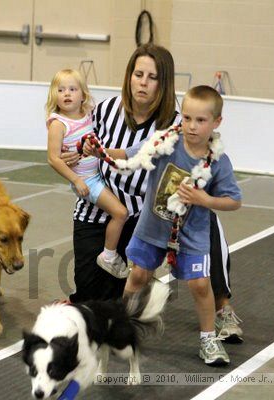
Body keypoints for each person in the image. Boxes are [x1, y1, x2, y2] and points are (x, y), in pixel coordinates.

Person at [121, 85, 242, 365]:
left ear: (216, 123)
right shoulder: (165, 142)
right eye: (186, 118)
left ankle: (208, 340)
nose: (192, 126)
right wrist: (98, 150)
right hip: (153, 227)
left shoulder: (219, 162)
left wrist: (204, 198)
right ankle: (120, 322)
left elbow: (234, 202)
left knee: (200, 285)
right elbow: (129, 154)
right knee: (138, 276)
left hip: (192, 234)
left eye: (201, 120)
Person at [61, 44, 177, 303]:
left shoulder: (174, 125)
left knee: (116, 303)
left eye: (152, 77)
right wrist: (72, 154)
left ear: (164, 83)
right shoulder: (105, 110)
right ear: (129, 76)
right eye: (138, 75)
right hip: (95, 211)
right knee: (89, 301)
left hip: (140, 221)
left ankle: (143, 276)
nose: (143, 83)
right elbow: (80, 147)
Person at [46, 69, 129, 278]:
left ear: (83, 94)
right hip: (87, 180)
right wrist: (76, 179)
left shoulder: (89, 114)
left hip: (100, 173)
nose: (67, 94)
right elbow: (53, 158)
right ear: (53, 94)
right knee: (120, 213)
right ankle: (109, 255)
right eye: (61, 89)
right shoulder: (58, 124)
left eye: (73, 89)